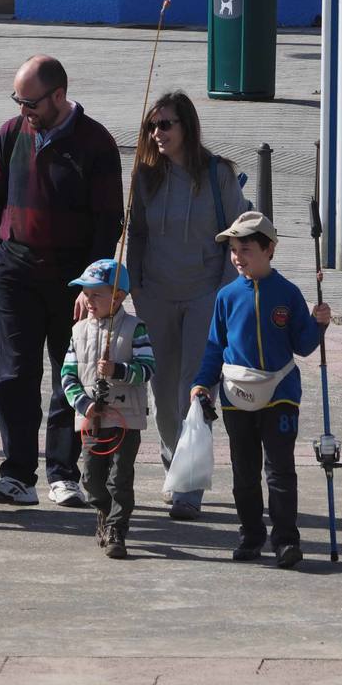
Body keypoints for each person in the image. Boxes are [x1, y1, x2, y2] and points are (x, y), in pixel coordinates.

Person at [0, 54, 124, 508]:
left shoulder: (96, 142)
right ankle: (17, 475)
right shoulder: (10, 133)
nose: (24, 110)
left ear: (58, 95)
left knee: (70, 377)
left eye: (30, 102)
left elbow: (108, 222)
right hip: (14, 273)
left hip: (72, 281)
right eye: (18, 101)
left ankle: (64, 474)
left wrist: (90, 286)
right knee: (14, 376)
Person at [125, 91, 247, 521]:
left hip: (204, 297)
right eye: (152, 126)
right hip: (155, 295)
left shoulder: (218, 175)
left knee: (194, 393)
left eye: (166, 125)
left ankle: (189, 486)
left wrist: (224, 296)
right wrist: (135, 284)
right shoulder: (144, 176)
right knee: (161, 393)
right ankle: (174, 466)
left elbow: (238, 236)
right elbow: (135, 234)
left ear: (187, 127)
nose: (157, 134)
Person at [190, 212, 331, 569]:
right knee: (244, 471)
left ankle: (285, 540)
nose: (238, 257)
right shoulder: (226, 296)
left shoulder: (287, 293)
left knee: (280, 469)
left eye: (246, 249)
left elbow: (302, 345)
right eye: (234, 250)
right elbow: (214, 346)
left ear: (269, 249)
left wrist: (319, 326)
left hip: (281, 392)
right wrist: (202, 382)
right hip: (236, 397)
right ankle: (250, 534)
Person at [61, 259, 154, 559]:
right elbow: (68, 376)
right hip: (92, 420)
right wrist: (84, 404)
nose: (88, 300)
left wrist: (118, 370)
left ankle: (117, 528)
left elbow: (147, 369)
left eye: (96, 294)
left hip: (126, 419)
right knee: (90, 478)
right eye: (85, 294)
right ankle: (103, 511)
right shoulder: (78, 332)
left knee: (119, 477)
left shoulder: (135, 328)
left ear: (118, 296)